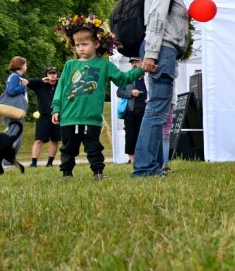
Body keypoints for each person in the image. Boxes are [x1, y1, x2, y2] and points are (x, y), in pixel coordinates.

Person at [133, 0, 206, 178]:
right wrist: (152, 53)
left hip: (164, 51)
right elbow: (156, 16)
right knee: (156, 110)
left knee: (158, 110)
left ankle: (152, 167)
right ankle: (145, 168)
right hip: (161, 49)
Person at [51, 14, 144, 180]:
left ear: (96, 43)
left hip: (91, 117)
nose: (80, 48)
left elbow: (122, 79)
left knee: (93, 146)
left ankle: (98, 172)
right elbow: (61, 87)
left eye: (84, 44)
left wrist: (140, 69)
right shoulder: (70, 65)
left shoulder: (104, 65)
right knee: (68, 148)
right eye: (77, 44)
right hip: (69, 116)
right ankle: (66, 173)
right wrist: (56, 108)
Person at [26, 66, 61, 167]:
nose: (52, 75)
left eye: (54, 73)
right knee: (38, 140)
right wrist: (41, 80)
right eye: (50, 73)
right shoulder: (40, 86)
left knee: (55, 140)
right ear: (46, 75)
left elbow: (71, 83)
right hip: (43, 117)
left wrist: (61, 80)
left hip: (57, 116)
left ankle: (49, 163)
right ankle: (34, 163)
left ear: (57, 75)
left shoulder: (61, 85)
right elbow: (28, 82)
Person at [116, 58, 147, 164]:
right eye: (132, 62)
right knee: (130, 135)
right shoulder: (127, 77)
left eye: (137, 62)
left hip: (146, 111)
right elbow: (119, 92)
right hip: (131, 110)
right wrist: (131, 93)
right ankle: (132, 159)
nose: (134, 64)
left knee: (144, 135)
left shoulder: (148, 77)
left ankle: (144, 158)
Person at [1, 56, 29, 164]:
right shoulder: (15, 77)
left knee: (14, 135)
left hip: (16, 112)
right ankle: (7, 162)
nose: (26, 66)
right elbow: (11, 91)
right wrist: (23, 86)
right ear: (21, 65)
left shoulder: (17, 77)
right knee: (14, 137)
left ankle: (8, 161)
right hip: (14, 112)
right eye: (25, 64)